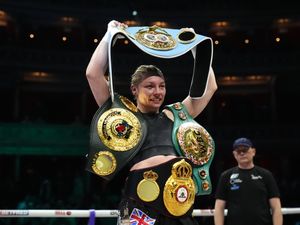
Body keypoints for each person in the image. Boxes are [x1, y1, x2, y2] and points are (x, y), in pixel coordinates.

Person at [86, 20, 217, 225]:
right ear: (134, 89)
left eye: (162, 86)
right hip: (142, 196)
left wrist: (195, 47)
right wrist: (108, 35)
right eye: (150, 86)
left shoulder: (176, 114)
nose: (158, 92)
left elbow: (209, 88)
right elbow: (93, 74)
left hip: (179, 194)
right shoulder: (121, 116)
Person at [214, 137, 283, 225]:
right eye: (239, 151)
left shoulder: (266, 175)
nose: (242, 153)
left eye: (245, 150)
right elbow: (219, 207)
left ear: (253, 152)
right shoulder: (226, 176)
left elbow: (276, 207)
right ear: (234, 154)